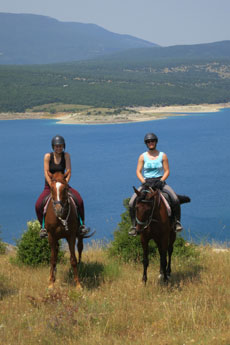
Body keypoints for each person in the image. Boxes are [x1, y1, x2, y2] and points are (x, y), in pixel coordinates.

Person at [128, 132, 183, 236]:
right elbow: (138, 171)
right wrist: (143, 181)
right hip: (146, 182)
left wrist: (161, 180)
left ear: (156, 142)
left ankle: (176, 222)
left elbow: (167, 171)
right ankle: (134, 226)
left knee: (174, 198)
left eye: (152, 141)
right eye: (148, 142)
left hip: (160, 182)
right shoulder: (142, 156)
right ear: (146, 144)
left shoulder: (163, 155)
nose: (150, 143)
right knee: (131, 202)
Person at [35, 135, 90, 238]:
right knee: (38, 205)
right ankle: (43, 227)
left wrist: (64, 184)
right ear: (53, 147)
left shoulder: (66, 156)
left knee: (79, 200)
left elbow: (68, 172)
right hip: (50, 186)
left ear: (63, 146)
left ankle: (82, 225)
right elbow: (46, 173)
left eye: (60, 146)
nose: (58, 148)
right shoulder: (47, 156)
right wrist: (51, 184)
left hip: (63, 185)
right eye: (56, 146)